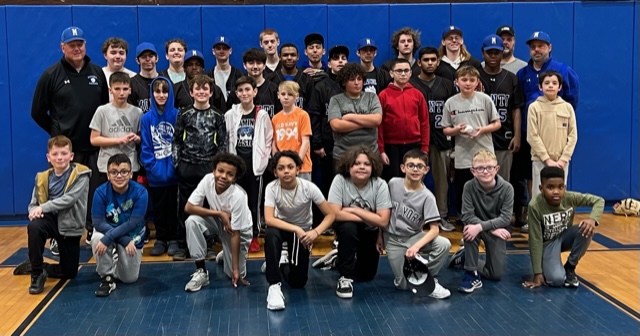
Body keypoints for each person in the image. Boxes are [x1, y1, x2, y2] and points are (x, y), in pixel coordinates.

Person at [31, 26, 108, 244]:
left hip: (93, 145)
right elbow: (37, 111)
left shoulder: (96, 72)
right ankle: (57, 235)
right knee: (62, 195)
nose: (77, 48)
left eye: (80, 44)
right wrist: (58, 134)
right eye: (72, 45)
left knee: (94, 193)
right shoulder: (50, 75)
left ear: (85, 45)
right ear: (62, 47)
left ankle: (94, 230)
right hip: (66, 151)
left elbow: (103, 108)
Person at [514, 31, 580, 232]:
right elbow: (519, 104)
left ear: (549, 47)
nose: (537, 49)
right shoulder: (523, 73)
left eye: (541, 46)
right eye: (533, 46)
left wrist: (563, 156)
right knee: (534, 183)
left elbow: (573, 101)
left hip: (558, 144)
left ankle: (558, 223)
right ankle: (535, 221)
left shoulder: (562, 70)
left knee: (558, 188)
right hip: (532, 140)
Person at [263, 151, 336, 310]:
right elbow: (269, 219)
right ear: (275, 172)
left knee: (298, 283)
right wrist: (295, 228)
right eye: (281, 168)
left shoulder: (309, 188)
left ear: (298, 169)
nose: (286, 171)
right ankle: (274, 285)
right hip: (282, 228)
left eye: (290, 167)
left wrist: (315, 232)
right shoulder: (271, 188)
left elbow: (330, 215)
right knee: (271, 233)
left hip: (302, 234)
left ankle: (280, 263)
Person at [19, 136, 91, 294]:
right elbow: (33, 203)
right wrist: (33, 211)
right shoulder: (42, 177)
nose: (60, 157)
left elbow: (69, 199)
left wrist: (43, 207)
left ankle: (36, 265)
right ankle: (37, 274)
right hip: (49, 220)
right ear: (49, 157)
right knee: (35, 227)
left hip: (70, 223)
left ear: (71, 156)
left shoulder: (81, 174)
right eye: (56, 154)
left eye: (64, 153)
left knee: (69, 273)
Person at [172, 74, 227, 261]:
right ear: (191, 91)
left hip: (208, 167)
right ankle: (183, 245)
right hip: (187, 166)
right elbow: (176, 141)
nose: (201, 92)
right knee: (185, 206)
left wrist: (218, 169)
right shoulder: (184, 114)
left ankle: (208, 243)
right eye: (198, 89)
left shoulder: (218, 115)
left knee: (207, 206)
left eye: (205, 89)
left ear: (211, 92)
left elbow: (222, 144)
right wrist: (177, 164)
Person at [383, 149, 451, 299]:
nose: (415, 169)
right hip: (393, 239)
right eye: (411, 165)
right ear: (403, 168)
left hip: (414, 236)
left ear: (426, 170)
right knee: (402, 286)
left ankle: (428, 277)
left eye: (419, 166)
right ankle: (416, 270)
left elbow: (434, 230)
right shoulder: (393, 184)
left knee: (443, 244)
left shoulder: (428, 197)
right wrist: (378, 236)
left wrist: (416, 246)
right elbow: (382, 213)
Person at [522, 166, 603, 289]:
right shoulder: (535, 206)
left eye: (560, 187)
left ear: (564, 187)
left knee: (586, 228)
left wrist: (592, 219)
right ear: (541, 188)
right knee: (557, 280)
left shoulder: (570, 197)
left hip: (565, 237)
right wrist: (537, 273)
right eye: (550, 187)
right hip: (547, 244)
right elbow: (535, 240)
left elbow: (599, 201)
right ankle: (548, 267)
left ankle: (570, 267)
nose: (556, 191)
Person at [328, 145, 392, 299]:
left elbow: (383, 221)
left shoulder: (380, 184)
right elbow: (334, 214)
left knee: (366, 275)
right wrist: (370, 216)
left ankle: (338, 259)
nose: (362, 167)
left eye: (366, 164)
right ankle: (344, 277)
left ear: (373, 166)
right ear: (348, 166)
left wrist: (354, 210)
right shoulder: (340, 180)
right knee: (349, 228)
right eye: (356, 163)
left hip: (370, 230)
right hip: (349, 226)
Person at [183, 153, 253, 291]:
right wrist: (220, 213)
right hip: (219, 220)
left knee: (234, 274)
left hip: (238, 231)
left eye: (229, 174)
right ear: (214, 170)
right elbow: (189, 207)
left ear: (235, 178)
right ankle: (201, 271)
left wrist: (235, 269)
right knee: (192, 221)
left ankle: (226, 254)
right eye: (220, 171)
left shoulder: (239, 196)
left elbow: (236, 233)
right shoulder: (207, 180)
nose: (223, 176)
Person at [442, 66, 501, 222]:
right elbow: (446, 130)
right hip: (463, 155)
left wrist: (482, 130)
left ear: (477, 82)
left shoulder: (485, 99)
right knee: (464, 189)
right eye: (464, 80)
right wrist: (456, 130)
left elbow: (497, 124)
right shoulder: (450, 102)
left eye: (471, 80)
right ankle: (468, 221)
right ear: (457, 82)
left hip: (484, 153)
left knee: (487, 188)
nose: (467, 83)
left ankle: (488, 220)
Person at [409, 47, 457, 231]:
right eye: (426, 60)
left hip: (442, 139)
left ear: (438, 62)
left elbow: (455, 113)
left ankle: (441, 216)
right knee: (415, 179)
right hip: (418, 139)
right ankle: (416, 217)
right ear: (419, 63)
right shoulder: (411, 84)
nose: (430, 63)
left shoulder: (446, 84)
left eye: (433, 60)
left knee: (442, 181)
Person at [225, 76, 274, 253]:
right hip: (236, 167)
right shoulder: (230, 114)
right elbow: (227, 139)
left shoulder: (261, 114)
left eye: (248, 90)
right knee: (236, 203)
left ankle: (254, 235)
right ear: (236, 93)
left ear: (254, 91)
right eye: (241, 90)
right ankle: (236, 233)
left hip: (254, 167)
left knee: (254, 203)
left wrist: (263, 159)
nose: (244, 93)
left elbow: (268, 139)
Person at [457, 150, 513, 293]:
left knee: (495, 275)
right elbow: (467, 216)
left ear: (496, 169)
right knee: (469, 230)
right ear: (473, 171)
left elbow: (506, 218)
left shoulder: (507, 189)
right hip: (481, 228)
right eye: (480, 168)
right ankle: (470, 273)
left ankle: (465, 258)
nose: (485, 171)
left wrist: (482, 227)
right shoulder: (468, 187)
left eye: (489, 167)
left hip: (493, 230)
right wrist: (487, 228)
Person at [91, 154, 147, 297]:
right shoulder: (100, 192)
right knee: (97, 238)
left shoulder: (141, 192)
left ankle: (115, 259)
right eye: (114, 172)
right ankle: (107, 277)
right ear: (108, 175)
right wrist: (117, 239)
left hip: (132, 234)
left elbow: (133, 223)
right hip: (110, 231)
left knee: (130, 279)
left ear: (131, 174)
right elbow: (98, 222)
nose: (119, 176)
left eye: (124, 171)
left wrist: (118, 238)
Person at [140, 77, 180, 256]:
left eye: (165, 91)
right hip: (155, 174)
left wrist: (173, 168)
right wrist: (153, 168)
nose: (161, 95)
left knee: (173, 207)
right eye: (157, 91)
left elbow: (179, 144)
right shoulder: (146, 118)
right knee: (159, 207)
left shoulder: (178, 115)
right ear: (152, 94)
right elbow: (146, 147)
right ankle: (161, 239)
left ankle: (173, 239)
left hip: (174, 173)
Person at [478, 34, 524, 183]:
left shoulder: (511, 78)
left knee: (503, 182)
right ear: (482, 52)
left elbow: (516, 109)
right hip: (479, 138)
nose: (493, 56)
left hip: (504, 137)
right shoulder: (474, 77)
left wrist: (517, 136)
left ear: (502, 52)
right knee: (481, 182)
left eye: (496, 52)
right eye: (489, 52)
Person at [527, 70, 577, 199]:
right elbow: (532, 136)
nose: (550, 86)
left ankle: (558, 220)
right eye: (547, 83)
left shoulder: (567, 107)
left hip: (561, 162)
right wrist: (546, 159)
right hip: (540, 161)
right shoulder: (534, 107)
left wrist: (563, 159)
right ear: (540, 86)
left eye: (554, 83)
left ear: (559, 87)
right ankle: (537, 220)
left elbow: (573, 136)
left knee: (558, 196)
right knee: (539, 196)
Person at [378, 58, 430, 181]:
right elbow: (378, 126)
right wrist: (381, 150)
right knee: (393, 182)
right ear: (391, 73)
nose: (403, 74)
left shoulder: (418, 94)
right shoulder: (383, 95)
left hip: (414, 145)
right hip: (391, 147)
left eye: (406, 70)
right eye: (399, 71)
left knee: (414, 182)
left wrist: (424, 149)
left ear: (411, 73)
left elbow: (424, 123)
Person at [309, 45, 349, 199]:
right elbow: (315, 116)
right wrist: (317, 144)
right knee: (330, 182)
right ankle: (331, 217)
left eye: (343, 58)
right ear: (329, 63)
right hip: (327, 143)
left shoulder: (352, 85)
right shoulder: (321, 86)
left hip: (348, 142)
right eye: (336, 58)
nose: (340, 61)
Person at [89, 72, 142, 185]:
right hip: (107, 166)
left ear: (130, 90)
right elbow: (94, 139)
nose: (121, 93)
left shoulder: (137, 112)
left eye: (125, 89)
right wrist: (119, 140)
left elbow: (142, 138)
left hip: (130, 166)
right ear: (110, 90)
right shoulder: (102, 111)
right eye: (117, 89)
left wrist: (137, 139)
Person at [328, 62, 382, 161]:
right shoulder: (336, 100)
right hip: (343, 155)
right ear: (344, 82)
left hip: (370, 154)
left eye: (359, 79)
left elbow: (377, 120)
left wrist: (350, 117)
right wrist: (367, 123)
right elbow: (336, 125)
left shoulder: (372, 97)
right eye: (352, 79)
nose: (357, 83)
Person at [272, 81, 313, 180]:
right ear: (278, 95)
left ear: (297, 96)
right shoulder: (275, 118)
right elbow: (274, 144)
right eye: (283, 94)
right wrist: (278, 162)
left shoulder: (302, 115)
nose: (286, 97)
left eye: (290, 94)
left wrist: (296, 162)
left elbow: (305, 142)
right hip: (283, 168)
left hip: (302, 167)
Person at [226, 48, 282, 118]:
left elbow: (281, 116)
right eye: (251, 63)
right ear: (244, 65)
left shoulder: (274, 89)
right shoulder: (237, 91)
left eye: (259, 63)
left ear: (264, 65)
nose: (255, 67)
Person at [266, 43, 315, 110]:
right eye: (285, 55)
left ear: (298, 57)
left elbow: (312, 108)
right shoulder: (270, 79)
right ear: (279, 57)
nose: (289, 58)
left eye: (293, 55)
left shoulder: (307, 80)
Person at [206, 36, 244, 106]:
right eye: (218, 48)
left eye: (225, 48)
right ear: (213, 51)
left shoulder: (239, 74)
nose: (221, 51)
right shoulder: (207, 76)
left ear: (230, 51)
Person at [128, 42, 159, 113]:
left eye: (151, 56)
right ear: (137, 60)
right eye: (143, 57)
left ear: (157, 58)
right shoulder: (131, 83)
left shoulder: (165, 80)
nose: (148, 59)